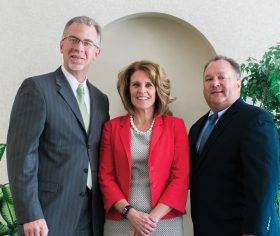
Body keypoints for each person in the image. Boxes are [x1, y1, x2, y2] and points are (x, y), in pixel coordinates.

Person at [6, 16, 109, 236]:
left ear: (96, 53)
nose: (79, 47)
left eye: (87, 43)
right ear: (62, 45)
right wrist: (30, 213)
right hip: (48, 214)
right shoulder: (36, 88)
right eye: (73, 39)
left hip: (91, 216)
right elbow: (21, 157)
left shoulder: (101, 100)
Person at [189, 55, 280, 236]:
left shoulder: (255, 120)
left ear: (238, 84)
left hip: (244, 230)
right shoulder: (196, 128)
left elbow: (264, 183)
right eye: (209, 79)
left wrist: (254, 231)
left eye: (221, 77)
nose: (214, 83)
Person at [98, 60, 189, 236]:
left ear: (157, 90)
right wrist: (132, 215)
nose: (142, 90)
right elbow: (106, 177)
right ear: (128, 90)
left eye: (149, 85)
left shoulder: (175, 126)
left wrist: (148, 221)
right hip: (122, 219)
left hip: (163, 221)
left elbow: (180, 178)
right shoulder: (112, 128)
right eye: (136, 85)